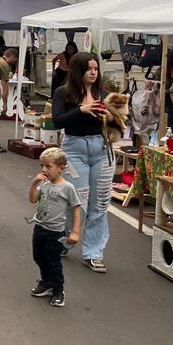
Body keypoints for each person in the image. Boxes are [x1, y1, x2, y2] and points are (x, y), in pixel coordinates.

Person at [51, 52, 111, 273]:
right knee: (78, 201)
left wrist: (112, 117)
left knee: (100, 203)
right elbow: (57, 121)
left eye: (96, 68)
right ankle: (68, 238)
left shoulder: (103, 94)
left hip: (102, 149)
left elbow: (118, 121)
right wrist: (81, 110)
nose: (94, 72)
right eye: (89, 69)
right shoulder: (63, 93)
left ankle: (93, 252)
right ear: (78, 71)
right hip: (74, 149)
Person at [28, 147, 82, 308]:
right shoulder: (44, 184)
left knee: (54, 263)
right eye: (42, 166)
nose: (44, 170)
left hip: (55, 233)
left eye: (48, 166)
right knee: (38, 257)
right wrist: (34, 183)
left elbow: (76, 208)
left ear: (61, 168)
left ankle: (58, 290)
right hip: (39, 228)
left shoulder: (67, 187)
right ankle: (47, 282)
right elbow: (32, 200)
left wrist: (75, 231)